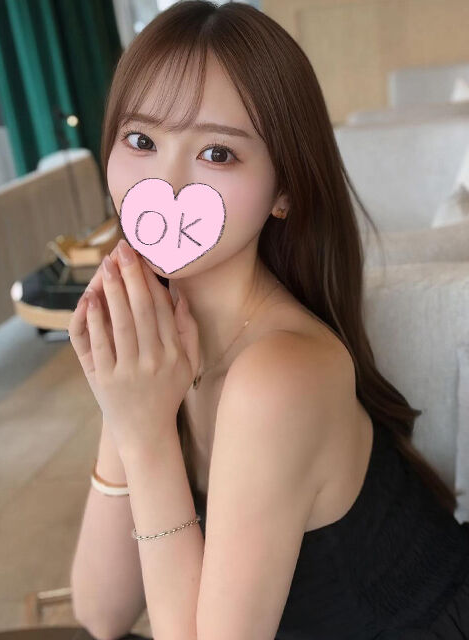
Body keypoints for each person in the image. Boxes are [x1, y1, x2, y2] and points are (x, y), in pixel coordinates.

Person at [71, 1, 469, 638]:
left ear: (284, 190)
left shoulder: (279, 377)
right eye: (141, 140)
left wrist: (145, 436)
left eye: (217, 153)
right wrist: (125, 407)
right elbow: (100, 611)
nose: (166, 185)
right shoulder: (156, 340)